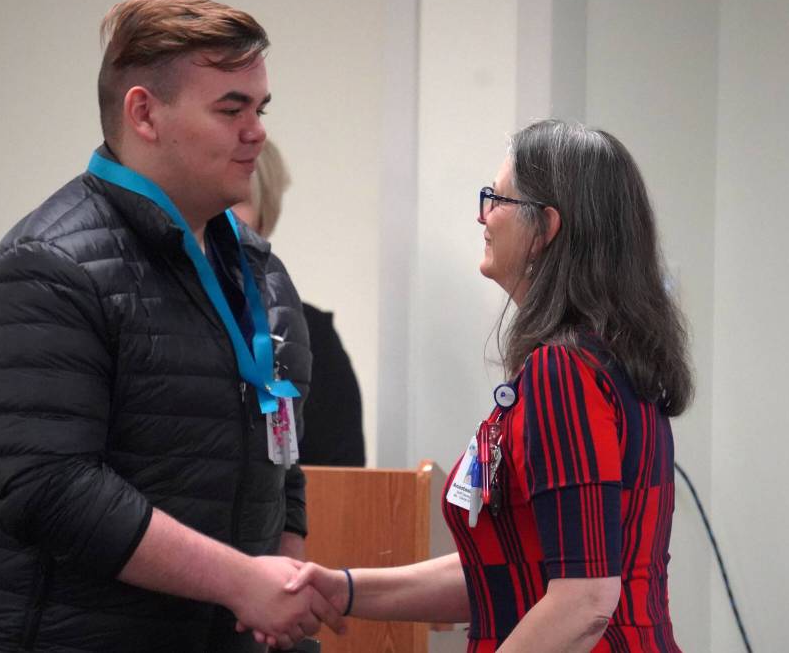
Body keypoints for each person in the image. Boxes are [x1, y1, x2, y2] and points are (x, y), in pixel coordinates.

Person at [0, 0, 344, 653]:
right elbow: (50, 489)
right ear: (144, 112)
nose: (256, 130)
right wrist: (239, 581)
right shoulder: (49, 267)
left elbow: (278, 455)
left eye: (260, 109)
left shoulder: (259, 271)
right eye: (230, 108)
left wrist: (281, 591)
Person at [274, 120, 693, 652]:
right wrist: (345, 589)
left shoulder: (565, 372)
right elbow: (507, 577)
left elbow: (585, 600)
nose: (482, 215)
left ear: (545, 227)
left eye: (496, 199)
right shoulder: (601, 362)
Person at [232, 140, 365, 466]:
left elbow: (342, 485)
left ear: (264, 218)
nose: (222, 217)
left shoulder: (312, 335)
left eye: (238, 201)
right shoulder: (148, 314)